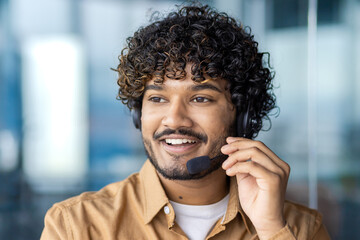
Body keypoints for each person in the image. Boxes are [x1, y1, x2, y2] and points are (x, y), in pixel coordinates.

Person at [41, 3, 330, 240]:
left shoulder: (299, 229)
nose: (174, 119)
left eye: (200, 98)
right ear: (136, 113)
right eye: (157, 98)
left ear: (242, 115)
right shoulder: (76, 226)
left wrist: (270, 229)